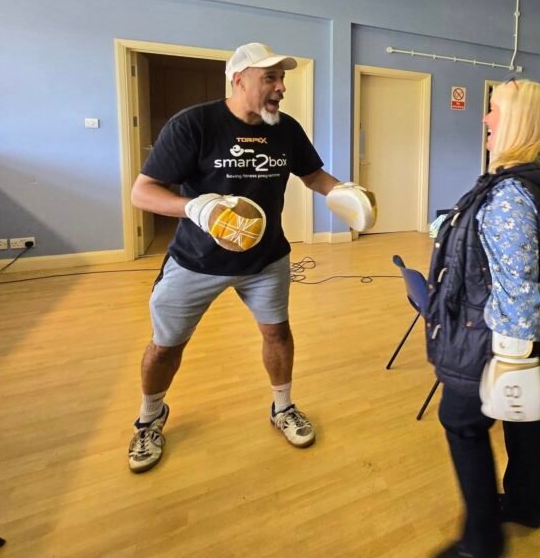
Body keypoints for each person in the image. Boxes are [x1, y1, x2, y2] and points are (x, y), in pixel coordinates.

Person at [127, 42, 373, 473]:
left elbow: (312, 175)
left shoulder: (286, 129)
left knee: (277, 333)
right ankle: (149, 418)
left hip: (266, 261)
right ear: (238, 80)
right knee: (165, 346)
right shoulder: (194, 124)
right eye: (270, 78)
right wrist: (195, 207)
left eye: (283, 79)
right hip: (196, 262)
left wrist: (343, 192)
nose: (281, 88)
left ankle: (283, 407)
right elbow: (142, 192)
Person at [427, 78, 540, 558]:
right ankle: (524, 502)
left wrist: (511, 359)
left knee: (460, 420)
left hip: (490, 334)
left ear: (517, 121)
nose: (485, 119)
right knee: (520, 411)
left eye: (494, 109)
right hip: (517, 334)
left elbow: (518, 287)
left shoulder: (512, 194)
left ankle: (481, 543)